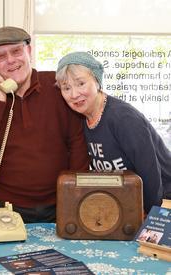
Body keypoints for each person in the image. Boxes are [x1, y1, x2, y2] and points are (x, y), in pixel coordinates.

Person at [0, 26, 90, 223]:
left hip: (61, 205)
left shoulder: (58, 87)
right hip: (6, 209)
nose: (11, 60)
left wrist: (75, 197)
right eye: (0, 56)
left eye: (16, 51)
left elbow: (77, 144)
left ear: (29, 51)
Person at [55, 51, 171, 214]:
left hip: (162, 202)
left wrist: (152, 217)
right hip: (130, 203)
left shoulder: (123, 118)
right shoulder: (81, 119)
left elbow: (151, 174)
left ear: (97, 81)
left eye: (81, 84)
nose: (74, 94)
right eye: (66, 88)